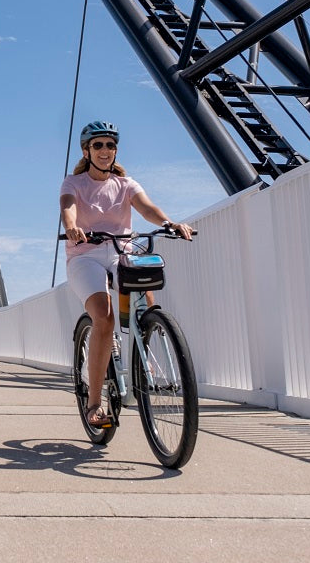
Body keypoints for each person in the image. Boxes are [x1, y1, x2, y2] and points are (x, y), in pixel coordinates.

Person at [60, 120, 193, 429]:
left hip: (123, 251)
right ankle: (95, 402)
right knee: (104, 318)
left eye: (109, 145)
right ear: (87, 150)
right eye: (98, 145)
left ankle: (139, 362)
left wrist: (170, 223)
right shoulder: (73, 183)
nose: (105, 150)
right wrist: (71, 227)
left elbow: (147, 209)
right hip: (86, 255)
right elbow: (68, 209)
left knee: (146, 300)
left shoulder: (126, 184)